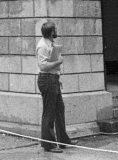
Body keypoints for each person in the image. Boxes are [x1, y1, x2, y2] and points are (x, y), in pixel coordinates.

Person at [36, 21, 77, 153]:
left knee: (60, 108)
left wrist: (57, 78)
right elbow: (42, 66)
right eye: (55, 29)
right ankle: (48, 144)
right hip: (47, 80)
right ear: (51, 32)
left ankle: (63, 140)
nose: (56, 31)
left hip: (52, 79)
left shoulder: (50, 43)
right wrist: (58, 62)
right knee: (49, 112)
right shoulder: (42, 46)